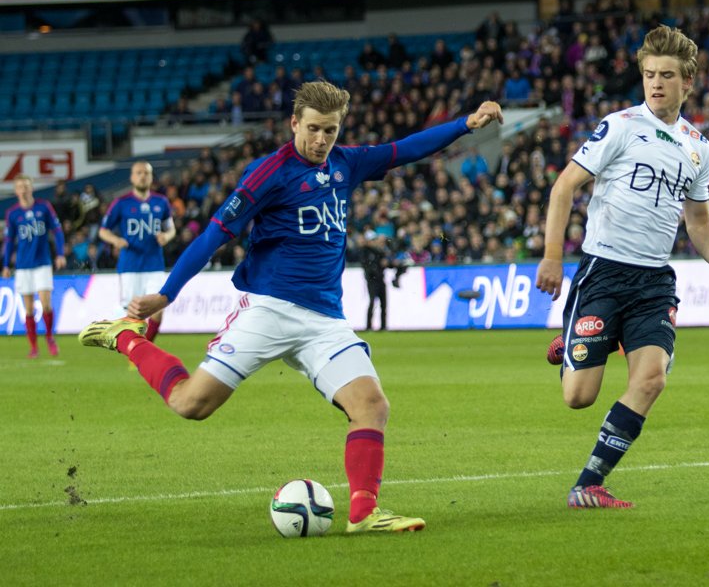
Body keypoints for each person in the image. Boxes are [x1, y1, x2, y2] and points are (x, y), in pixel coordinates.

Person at [79, 81, 503, 533]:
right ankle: (124, 337)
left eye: (331, 132)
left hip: (325, 321)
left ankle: (363, 514)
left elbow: (404, 149)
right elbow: (214, 235)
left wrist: (465, 124)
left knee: (371, 406)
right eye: (315, 130)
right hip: (269, 310)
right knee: (191, 404)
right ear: (295, 123)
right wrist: (167, 294)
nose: (322, 141)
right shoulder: (268, 173)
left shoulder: (347, 163)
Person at [535, 26, 709, 509]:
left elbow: (698, 222)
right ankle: (578, 343)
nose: (656, 83)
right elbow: (563, 187)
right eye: (650, 74)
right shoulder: (620, 125)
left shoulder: (699, 147)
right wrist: (552, 255)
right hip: (604, 272)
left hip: (654, 280)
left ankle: (589, 483)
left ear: (688, 81)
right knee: (578, 397)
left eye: (667, 75)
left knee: (652, 379)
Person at [98, 161, 175, 343]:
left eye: (146, 173)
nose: (142, 176)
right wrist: (116, 240)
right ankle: (135, 349)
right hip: (130, 265)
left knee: (158, 311)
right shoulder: (121, 203)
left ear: (150, 177)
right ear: (132, 177)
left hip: (154, 264)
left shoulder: (161, 202)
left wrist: (166, 236)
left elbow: (171, 229)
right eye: (139, 173)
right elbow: (103, 230)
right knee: (131, 313)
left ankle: (144, 347)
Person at [2, 174, 66, 358]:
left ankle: (50, 337)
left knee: (46, 304)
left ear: (31, 188)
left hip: (43, 263)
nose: (23, 190)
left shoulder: (44, 207)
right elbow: (9, 241)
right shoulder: (13, 213)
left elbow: (57, 230)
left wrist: (60, 254)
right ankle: (34, 347)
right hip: (23, 266)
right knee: (28, 308)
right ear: (16, 191)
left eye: (26, 186)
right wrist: (6, 265)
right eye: (20, 187)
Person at [360, 232, 389, 331]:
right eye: (372, 240)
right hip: (372, 280)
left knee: (383, 303)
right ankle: (368, 326)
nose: (374, 242)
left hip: (380, 279)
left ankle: (383, 326)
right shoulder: (365, 251)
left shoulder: (378, 251)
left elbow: (385, 262)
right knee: (372, 302)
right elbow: (366, 266)